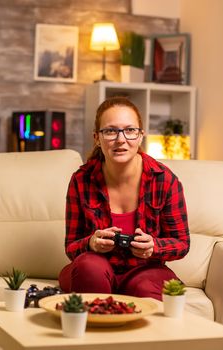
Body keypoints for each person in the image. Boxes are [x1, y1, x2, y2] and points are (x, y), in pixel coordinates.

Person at [58, 96, 190, 301]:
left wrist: (154, 247)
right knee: (88, 268)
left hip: (145, 270)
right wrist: (91, 243)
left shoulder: (164, 180)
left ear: (140, 136)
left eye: (130, 130)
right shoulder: (81, 180)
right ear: (96, 137)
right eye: (110, 131)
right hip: (97, 268)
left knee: (146, 289)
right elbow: (71, 246)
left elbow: (181, 243)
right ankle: (97, 327)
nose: (121, 139)